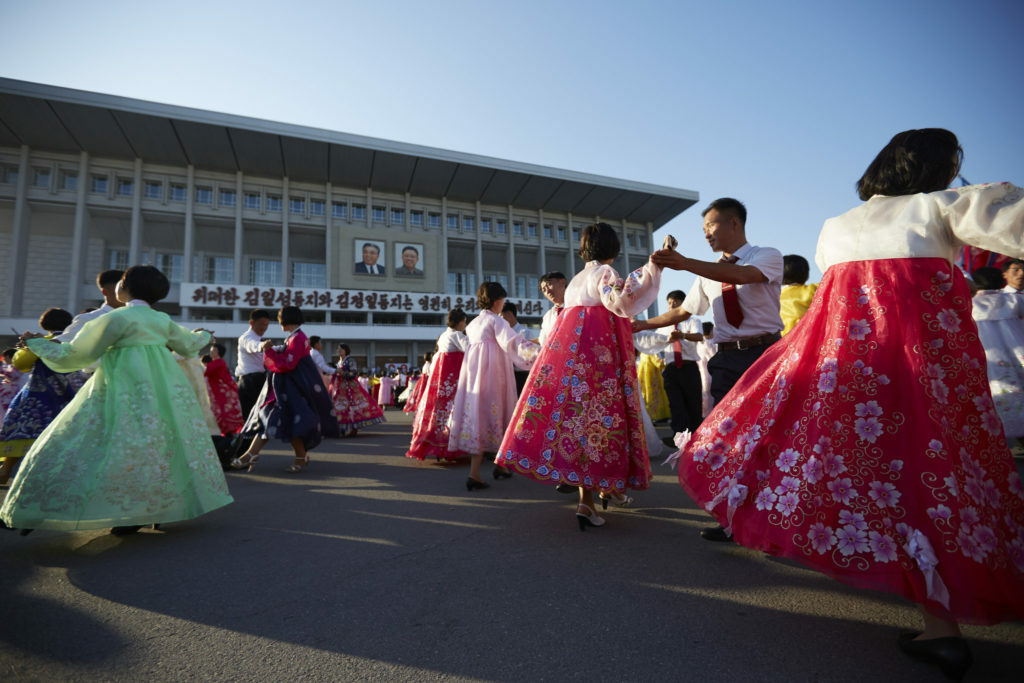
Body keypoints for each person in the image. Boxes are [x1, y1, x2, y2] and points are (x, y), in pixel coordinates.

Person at [671, 129, 1024, 679]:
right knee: (933, 473)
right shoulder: (942, 206)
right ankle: (941, 620)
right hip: (923, 364)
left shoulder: (834, 227)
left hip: (850, 372)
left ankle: (925, 612)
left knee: (840, 464)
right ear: (937, 169)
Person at [0, 265, 232, 534]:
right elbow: (188, 344)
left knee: (81, 437)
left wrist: (37, 344)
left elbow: (78, 353)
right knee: (158, 443)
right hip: (163, 388)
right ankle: (152, 509)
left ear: (127, 287)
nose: (119, 286)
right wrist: (204, 335)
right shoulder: (161, 319)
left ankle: (39, 506)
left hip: (120, 386)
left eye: (122, 281)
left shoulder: (115, 319)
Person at [495, 222, 662, 528]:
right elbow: (623, 301)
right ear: (613, 249)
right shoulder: (605, 274)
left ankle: (597, 497)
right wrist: (652, 267)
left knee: (581, 426)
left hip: (571, 365)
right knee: (603, 424)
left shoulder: (575, 281)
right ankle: (595, 498)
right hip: (601, 364)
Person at [636, 197, 784, 417]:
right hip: (725, 358)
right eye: (703, 228)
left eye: (711, 225)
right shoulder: (708, 272)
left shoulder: (766, 255)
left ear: (734, 222)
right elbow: (682, 311)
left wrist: (685, 263)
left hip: (765, 352)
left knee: (770, 420)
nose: (706, 234)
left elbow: (744, 275)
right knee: (729, 424)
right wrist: (640, 324)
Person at [448, 282, 538, 489]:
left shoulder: (473, 324)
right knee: (499, 415)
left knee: (478, 419)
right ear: (498, 301)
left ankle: (484, 470)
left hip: (474, 378)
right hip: (494, 377)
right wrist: (538, 352)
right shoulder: (497, 322)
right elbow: (513, 344)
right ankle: (491, 468)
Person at [231, 306, 337, 474]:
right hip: (286, 389)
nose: (273, 324)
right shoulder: (294, 337)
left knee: (280, 419)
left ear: (285, 320)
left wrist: (268, 351)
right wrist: (272, 349)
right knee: (269, 418)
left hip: (290, 390)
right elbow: (286, 356)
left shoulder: (296, 338)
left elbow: (287, 364)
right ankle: (251, 454)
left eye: (278, 319)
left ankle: (295, 457)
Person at [0, 308, 78, 486]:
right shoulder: (74, 341)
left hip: (40, 395)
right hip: (71, 394)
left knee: (19, 423)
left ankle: (5, 470)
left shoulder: (40, 342)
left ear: (44, 325)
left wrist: (29, 345)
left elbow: (21, 363)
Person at [405, 309, 469, 461]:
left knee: (438, 414)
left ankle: (434, 446)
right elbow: (471, 350)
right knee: (453, 412)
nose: (465, 325)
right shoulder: (457, 335)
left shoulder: (443, 336)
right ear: (460, 322)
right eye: (464, 322)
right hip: (452, 383)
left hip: (440, 383)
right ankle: (450, 448)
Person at [970, 266, 1024, 441]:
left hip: (987, 350)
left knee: (997, 388)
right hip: (1017, 345)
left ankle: (998, 432)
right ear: (1002, 280)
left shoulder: (969, 303)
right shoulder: (1014, 300)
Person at [649, 290, 704, 443]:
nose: (671, 305)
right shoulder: (663, 325)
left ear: (683, 304)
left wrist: (683, 336)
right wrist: (657, 355)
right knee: (675, 403)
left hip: (689, 368)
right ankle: (679, 437)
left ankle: (696, 437)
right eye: (669, 302)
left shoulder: (693, 321)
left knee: (693, 403)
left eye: (675, 302)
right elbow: (654, 344)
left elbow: (699, 337)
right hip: (671, 369)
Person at [329, 343, 385, 436]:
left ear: (346, 350)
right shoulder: (338, 362)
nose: (339, 351)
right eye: (338, 349)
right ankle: (342, 427)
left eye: (341, 349)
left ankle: (352, 428)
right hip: (340, 387)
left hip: (350, 387)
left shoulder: (350, 360)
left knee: (352, 406)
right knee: (340, 406)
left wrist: (342, 373)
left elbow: (353, 373)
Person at [58, 269, 125, 342]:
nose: (127, 294)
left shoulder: (133, 316)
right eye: (122, 289)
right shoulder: (90, 319)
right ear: (105, 292)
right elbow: (59, 344)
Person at [236, 309, 271, 421]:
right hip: (249, 382)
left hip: (258, 379)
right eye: (261, 324)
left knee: (258, 416)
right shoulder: (246, 338)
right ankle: (248, 438)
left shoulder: (260, 339)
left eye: (266, 324)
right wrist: (262, 346)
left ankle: (252, 438)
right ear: (252, 323)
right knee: (251, 417)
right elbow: (252, 345)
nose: (264, 327)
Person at [202, 343, 244, 436]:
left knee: (223, 412)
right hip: (218, 391)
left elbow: (205, 371)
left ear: (219, 353)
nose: (211, 352)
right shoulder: (215, 362)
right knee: (221, 412)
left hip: (222, 392)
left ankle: (226, 435)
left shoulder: (219, 362)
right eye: (211, 350)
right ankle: (225, 434)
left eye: (214, 351)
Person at [501, 301, 535, 395]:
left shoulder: (525, 332)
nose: (500, 319)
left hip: (521, 375)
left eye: (501, 316)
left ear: (509, 314)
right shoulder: (503, 334)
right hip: (506, 375)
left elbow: (530, 355)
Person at [780, 254, 818, 335]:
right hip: (810, 337)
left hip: (785, 340)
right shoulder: (813, 289)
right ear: (807, 275)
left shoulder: (775, 296)